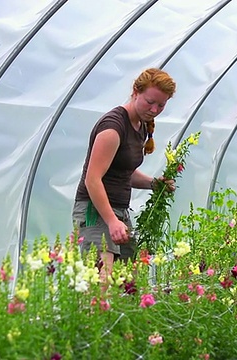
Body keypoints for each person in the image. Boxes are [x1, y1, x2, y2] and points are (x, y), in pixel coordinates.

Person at [72, 68, 176, 284]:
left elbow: (122, 174)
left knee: (128, 281)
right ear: (135, 92)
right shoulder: (113, 127)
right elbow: (93, 179)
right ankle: (92, 317)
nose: (155, 109)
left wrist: (154, 184)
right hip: (96, 210)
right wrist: (111, 221)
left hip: (118, 211)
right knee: (102, 282)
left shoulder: (140, 126)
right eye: (150, 102)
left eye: (161, 105)